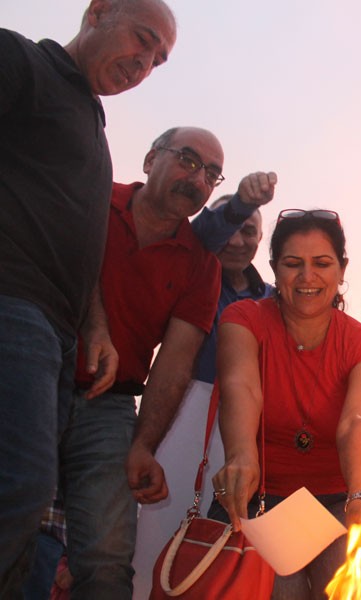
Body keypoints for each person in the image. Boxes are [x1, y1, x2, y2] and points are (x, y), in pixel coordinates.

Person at [0, 0, 175, 593]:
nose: (144, 62)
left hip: (56, 336)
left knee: (32, 516)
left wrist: (94, 326)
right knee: (17, 485)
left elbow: (79, 246)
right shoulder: (23, 63)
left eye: (158, 59)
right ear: (98, 12)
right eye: (143, 39)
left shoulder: (93, 128)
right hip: (11, 307)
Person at [60, 126, 277, 598]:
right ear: (149, 158)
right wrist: (239, 200)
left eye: (211, 174)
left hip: (111, 406)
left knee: (107, 560)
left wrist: (143, 445)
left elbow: (174, 364)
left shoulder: (202, 266)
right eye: (188, 160)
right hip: (34, 374)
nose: (198, 179)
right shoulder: (92, 197)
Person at [211, 209, 361, 599]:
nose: (307, 277)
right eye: (293, 264)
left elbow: (357, 421)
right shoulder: (242, 318)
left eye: (322, 264)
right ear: (274, 268)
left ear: (342, 269)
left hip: (337, 501)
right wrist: (240, 456)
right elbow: (240, 386)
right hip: (262, 504)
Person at [131, 194, 274, 599]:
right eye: (230, 227)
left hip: (249, 420)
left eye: (249, 231)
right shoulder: (191, 277)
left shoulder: (271, 300)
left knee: (234, 531)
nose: (236, 240)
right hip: (184, 411)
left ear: (260, 240)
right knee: (163, 526)